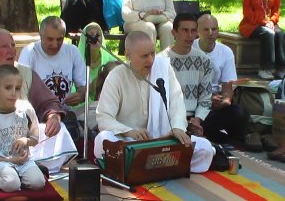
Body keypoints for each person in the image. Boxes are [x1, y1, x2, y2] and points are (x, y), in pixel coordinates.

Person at [0, 28, 77, 173]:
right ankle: (17, 164)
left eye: (13, 46)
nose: (11, 51)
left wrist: (54, 116)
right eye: (4, 47)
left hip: (20, 136)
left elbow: (48, 102)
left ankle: (21, 163)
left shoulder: (26, 73)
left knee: (59, 131)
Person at [94, 31, 213, 173]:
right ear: (128, 54)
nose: (151, 60)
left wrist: (176, 127)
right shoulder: (116, 76)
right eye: (144, 56)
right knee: (102, 140)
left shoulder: (163, 69)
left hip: (161, 140)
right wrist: (130, 132)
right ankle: (162, 165)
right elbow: (104, 117)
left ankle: (142, 167)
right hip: (129, 143)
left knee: (205, 147)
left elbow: (177, 101)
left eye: (153, 54)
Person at [0, 65, 45, 192]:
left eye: (17, 89)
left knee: (38, 183)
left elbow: (34, 138)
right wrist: (9, 160)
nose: (13, 93)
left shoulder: (26, 109)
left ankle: (20, 178)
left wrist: (25, 140)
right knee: (11, 184)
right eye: (8, 88)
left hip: (24, 161)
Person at [193, 13, 249, 144]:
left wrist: (224, 101)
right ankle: (208, 134)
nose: (211, 33)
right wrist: (206, 100)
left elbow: (228, 87)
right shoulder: (190, 49)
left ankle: (211, 135)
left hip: (213, 106)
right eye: (206, 29)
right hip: (193, 105)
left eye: (214, 29)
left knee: (240, 113)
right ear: (197, 32)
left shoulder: (226, 52)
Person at [158, 13, 213, 138]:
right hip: (170, 117)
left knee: (235, 113)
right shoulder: (161, 60)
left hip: (196, 116)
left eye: (193, 31)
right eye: (185, 30)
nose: (189, 36)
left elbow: (205, 97)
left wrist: (198, 119)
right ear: (174, 33)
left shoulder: (204, 60)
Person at [18, 16, 86, 106]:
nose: (55, 45)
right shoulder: (30, 52)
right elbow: (20, 90)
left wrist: (81, 95)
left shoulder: (72, 51)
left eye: (59, 39)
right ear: (41, 35)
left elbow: (84, 86)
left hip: (66, 113)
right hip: (38, 114)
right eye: (50, 39)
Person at [239, 0, 284, 80]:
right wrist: (264, 22)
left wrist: (271, 21)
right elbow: (247, 11)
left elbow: (276, 11)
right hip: (251, 24)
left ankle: (281, 69)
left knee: (279, 33)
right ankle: (265, 69)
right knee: (268, 33)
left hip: (270, 23)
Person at [77, 22, 114, 101]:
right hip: (81, 106)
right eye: (91, 34)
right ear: (84, 38)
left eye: (98, 34)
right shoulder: (76, 61)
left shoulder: (110, 60)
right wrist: (90, 88)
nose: (95, 37)